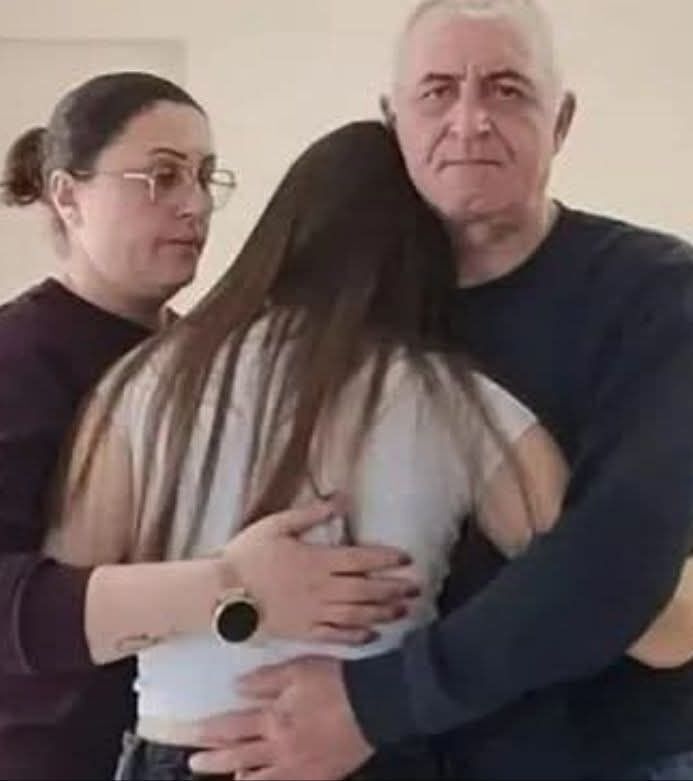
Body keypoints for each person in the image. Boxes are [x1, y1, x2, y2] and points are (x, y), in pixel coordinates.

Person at [187, 2, 693, 779]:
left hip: (600, 754)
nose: (469, 121)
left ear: (560, 121)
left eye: (506, 90)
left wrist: (376, 703)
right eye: (437, 91)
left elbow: (616, 556)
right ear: (392, 121)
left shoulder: (656, 291)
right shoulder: (348, 308)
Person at [44, 119, 579, 780]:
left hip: (184, 749)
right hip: (369, 749)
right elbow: (589, 593)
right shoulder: (462, 402)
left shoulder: (145, 382)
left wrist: (217, 593)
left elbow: (66, 611)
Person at [0, 73, 411, 780]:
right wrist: (232, 586)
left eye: (203, 176)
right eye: (160, 176)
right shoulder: (16, 357)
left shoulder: (205, 362)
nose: (193, 204)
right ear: (67, 195)